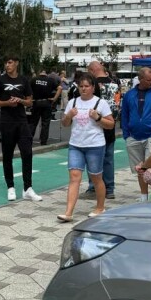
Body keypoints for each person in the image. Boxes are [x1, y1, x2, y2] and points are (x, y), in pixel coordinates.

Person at [56, 73, 114, 222]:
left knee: (96, 178)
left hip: (95, 145)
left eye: (86, 86)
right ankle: (68, 212)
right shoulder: (73, 102)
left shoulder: (100, 103)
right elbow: (65, 124)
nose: (83, 89)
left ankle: (100, 207)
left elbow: (111, 124)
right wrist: (69, 115)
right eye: (81, 86)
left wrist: (98, 117)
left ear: (93, 87)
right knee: (74, 177)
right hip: (76, 145)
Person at [0, 56, 42, 202]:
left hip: (22, 121)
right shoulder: (0, 80)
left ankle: (28, 188)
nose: (7, 65)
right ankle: (10, 187)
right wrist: (7, 103)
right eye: (6, 63)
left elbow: (29, 101)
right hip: (6, 122)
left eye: (10, 62)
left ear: (16, 63)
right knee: (7, 155)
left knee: (27, 153)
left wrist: (20, 101)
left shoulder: (24, 80)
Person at [119, 66, 151, 202]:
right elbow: (124, 115)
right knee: (140, 169)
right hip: (133, 136)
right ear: (140, 79)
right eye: (148, 80)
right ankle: (144, 196)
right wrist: (126, 135)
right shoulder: (129, 95)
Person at [84, 60, 120, 200]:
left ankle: (93, 187)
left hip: (92, 126)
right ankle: (109, 189)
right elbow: (117, 106)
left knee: (92, 158)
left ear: (92, 70)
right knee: (108, 159)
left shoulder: (91, 85)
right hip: (109, 125)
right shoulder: (114, 84)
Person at [28, 67, 61, 145]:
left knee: (33, 122)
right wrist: (54, 98)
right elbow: (60, 88)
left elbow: (28, 90)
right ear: (46, 73)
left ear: (39, 72)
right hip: (47, 102)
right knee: (45, 123)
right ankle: (43, 141)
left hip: (36, 102)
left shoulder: (34, 79)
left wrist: (29, 100)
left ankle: (29, 139)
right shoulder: (50, 80)